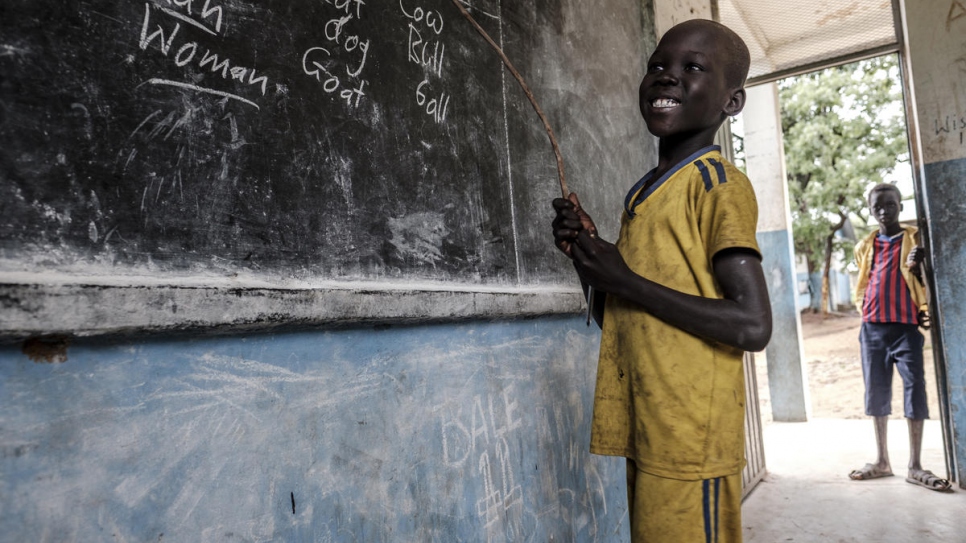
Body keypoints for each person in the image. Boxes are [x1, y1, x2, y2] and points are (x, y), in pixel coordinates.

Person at [550, 19, 772, 542]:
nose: (667, 78)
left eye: (692, 68)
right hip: (650, 423)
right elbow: (627, 319)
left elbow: (753, 324)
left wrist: (624, 280)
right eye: (657, 67)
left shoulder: (718, 186)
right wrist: (591, 260)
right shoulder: (643, 193)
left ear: (731, 103)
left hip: (690, 433)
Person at [848, 183, 951, 491]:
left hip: (906, 327)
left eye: (890, 205)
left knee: (914, 388)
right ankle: (882, 460)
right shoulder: (867, 245)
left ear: (900, 207)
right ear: (870, 211)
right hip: (872, 328)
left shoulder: (915, 240)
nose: (884, 210)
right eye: (878, 206)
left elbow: (925, 280)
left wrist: (920, 266)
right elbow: (866, 280)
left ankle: (915, 465)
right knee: (876, 392)